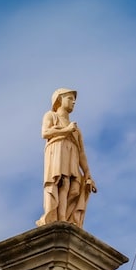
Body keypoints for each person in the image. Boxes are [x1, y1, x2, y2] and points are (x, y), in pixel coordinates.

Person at [36, 88, 97, 228]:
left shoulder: (76, 129)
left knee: (71, 187)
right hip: (57, 151)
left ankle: (64, 217)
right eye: (69, 98)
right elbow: (45, 133)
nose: (73, 101)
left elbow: (82, 153)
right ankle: (56, 216)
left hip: (72, 155)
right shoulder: (51, 116)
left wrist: (87, 173)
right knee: (59, 182)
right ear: (59, 99)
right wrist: (66, 130)